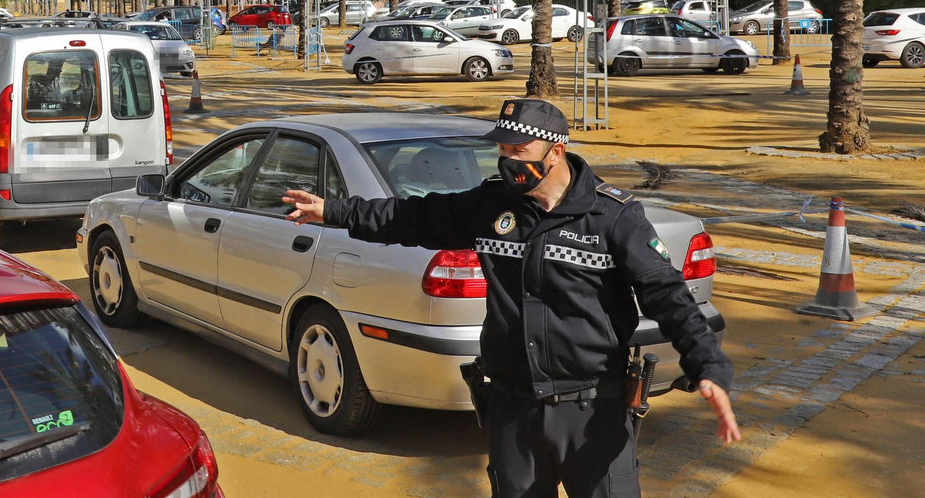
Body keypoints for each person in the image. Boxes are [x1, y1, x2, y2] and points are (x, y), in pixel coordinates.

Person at [283, 98, 739, 498]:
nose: (506, 160)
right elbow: (411, 216)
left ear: (555, 151)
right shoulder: (490, 205)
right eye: (502, 150)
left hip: (593, 411)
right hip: (513, 409)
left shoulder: (613, 217)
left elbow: (668, 296)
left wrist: (708, 366)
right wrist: (334, 210)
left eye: (518, 151)